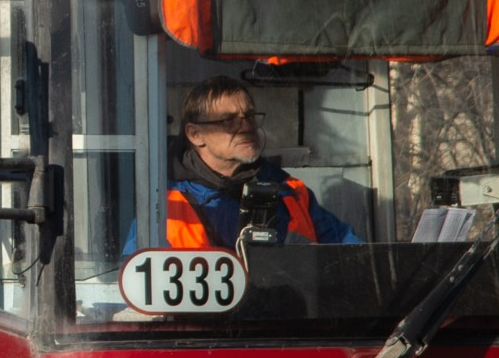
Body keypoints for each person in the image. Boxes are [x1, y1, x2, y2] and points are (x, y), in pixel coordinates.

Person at [135, 79, 360, 253]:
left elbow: (352, 255)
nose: (246, 127)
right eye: (228, 120)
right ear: (195, 134)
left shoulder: (292, 192)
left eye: (249, 116)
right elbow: (132, 282)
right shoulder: (162, 204)